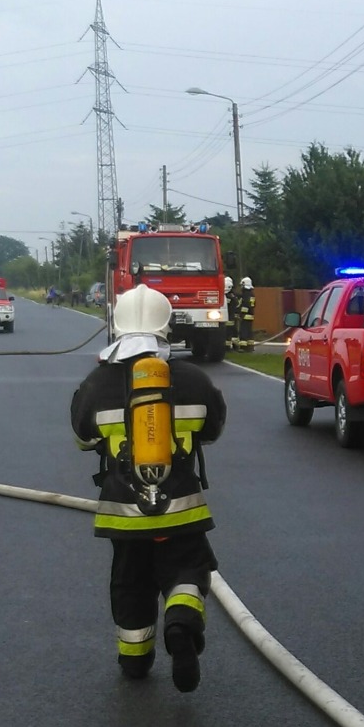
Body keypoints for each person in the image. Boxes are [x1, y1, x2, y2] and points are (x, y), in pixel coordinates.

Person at [70, 285, 227, 691]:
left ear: (117, 324)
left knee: (130, 581)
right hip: (181, 508)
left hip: (122, 511)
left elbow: (83, 436)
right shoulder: (191, 378)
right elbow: (212, 430)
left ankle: (135, 660)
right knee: (188, 569)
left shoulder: (97, 382)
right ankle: (180, 621)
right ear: (166, 326)